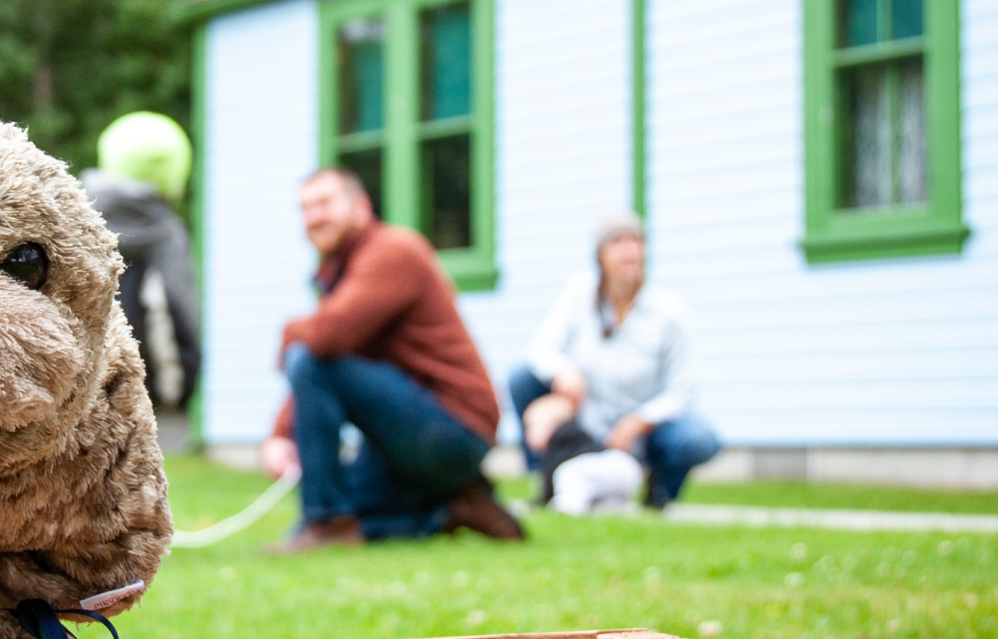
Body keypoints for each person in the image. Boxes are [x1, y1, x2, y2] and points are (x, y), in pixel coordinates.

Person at [261, 169, 523, 550]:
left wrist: (289, 333)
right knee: (349, 497)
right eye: (305, 208)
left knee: (307, 356)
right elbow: (329, 351)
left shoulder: (391, 251)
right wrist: (281, 434)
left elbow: (324, 341)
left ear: (362, 207)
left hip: (452, 426)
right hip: (411, 432)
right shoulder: (342, 273)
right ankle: (453, 507)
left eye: (325, 204)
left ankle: (326, 522)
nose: (314, 217)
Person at [508, 212, 721, 510]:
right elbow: (540, 349)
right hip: (585, 423)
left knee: (698, 438)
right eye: (618, 243)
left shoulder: (669, 312)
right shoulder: (579, 295)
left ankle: (659, 495)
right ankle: (545, 481)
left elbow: (684, 389)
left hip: (645, 432)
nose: (629, 251)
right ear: (600, 256)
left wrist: (639, 421)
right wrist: (563, 370)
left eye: (635, 242)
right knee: (521, 378)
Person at [81, 112, 200, 415]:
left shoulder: (76, 218)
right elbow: (179, 307)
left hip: (75, 386)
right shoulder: (166, 233)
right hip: (142, 390)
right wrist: (179, 390)